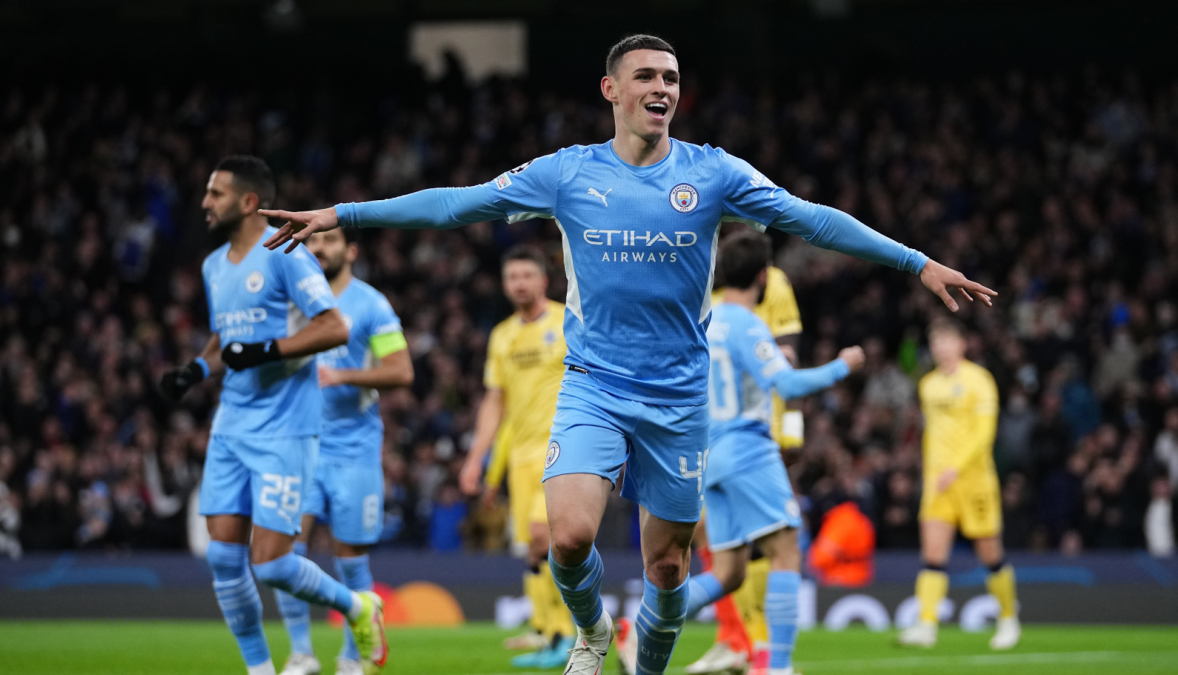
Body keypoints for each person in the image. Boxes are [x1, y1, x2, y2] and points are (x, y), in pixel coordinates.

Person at [260, 34, 994, 675]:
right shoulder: (568, 173)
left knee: (668, 571)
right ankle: (587, 630)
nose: (661, 89)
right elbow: (457, 204)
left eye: (671, 79)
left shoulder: (714, 174)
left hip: (679, 401)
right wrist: (343, 213)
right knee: (571, 534)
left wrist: (916, 262)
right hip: (593, 386)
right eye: (646, 77)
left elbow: (812, 218)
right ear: (611, 89)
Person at [158, 156, 385, 675]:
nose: (205, 203)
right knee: (222, 559)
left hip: (287, 429)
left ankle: (358, 606)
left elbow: (333, 328)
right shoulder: (214, 266)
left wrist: (266, 352)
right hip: (231, 426)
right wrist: (194, 370)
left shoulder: (284, 252)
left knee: (273, 563)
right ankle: (261, 669)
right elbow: (226, 339)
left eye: (215, 194)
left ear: (248, 202)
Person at [635, 230, 862, 675]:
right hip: (747, 448)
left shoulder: (704, 321)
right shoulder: (748, 324)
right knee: (785, 552)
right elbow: (789, 384)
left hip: (710, 455)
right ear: (764, 277)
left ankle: (639, 622)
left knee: (729, 573)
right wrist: (843, 365)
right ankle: (777, 667)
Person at [273, 227, 414, 675]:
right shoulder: (290, 301)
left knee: (350, 557)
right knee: (283, 554)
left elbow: (401, 371)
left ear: (349, 250)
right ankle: (301, 654)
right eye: (312, 243)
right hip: (297, 447)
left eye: (328, 241)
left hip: (353, 448)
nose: (318, 248)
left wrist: (343, 377)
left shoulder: (371, 305)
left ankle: (353, 658)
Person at [458, 246, 574, 669]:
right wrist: (478, 460)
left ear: (543, 280)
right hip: (521, 455)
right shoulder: (502, 335)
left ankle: (564, 632)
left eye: (527, 275)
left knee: (547, 539)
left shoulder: (567, 321)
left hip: (562, 449)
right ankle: (546, 630)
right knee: (530, 548)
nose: (519, 283)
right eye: (512, 277)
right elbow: (495, 403)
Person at [688, 258, 806, 675]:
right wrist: (794, 427)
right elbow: (789, 367)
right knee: (773, 547)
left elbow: (788, 347)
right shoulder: (746, 303)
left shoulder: (726, 292)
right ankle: (758, 649)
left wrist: (791, 429)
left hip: (715, 435)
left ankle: (740, 640)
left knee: (735, 555)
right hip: (747, 435)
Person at [898, 318, 1020, 650]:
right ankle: (926, 625)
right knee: (932, 556)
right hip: (938, 483)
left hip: (974, 480)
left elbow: (985, 433)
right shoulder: (928, 385)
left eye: (947, 340)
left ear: (962, 344)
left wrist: (956, 466)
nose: (941, 347)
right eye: (936, 341)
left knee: (990, 553)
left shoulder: (979, 380)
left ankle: (1009, 619)